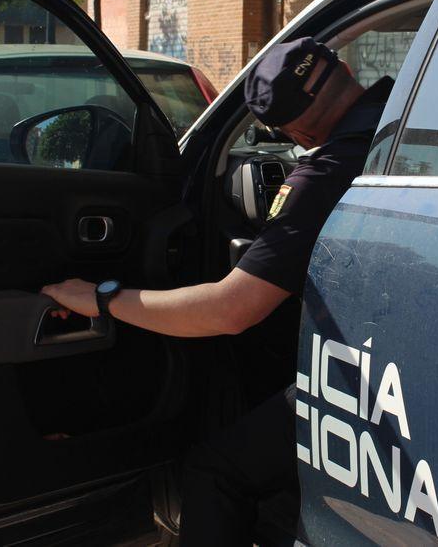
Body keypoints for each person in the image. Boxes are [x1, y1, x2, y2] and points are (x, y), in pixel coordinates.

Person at [40, 37, 392, 545]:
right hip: (411, 366)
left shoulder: (328, 171)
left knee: (216, 470)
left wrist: (101, 298)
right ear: (346, 68)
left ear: (293, 130)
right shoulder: (404, 117)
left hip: (373, 382)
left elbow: (230, 310)